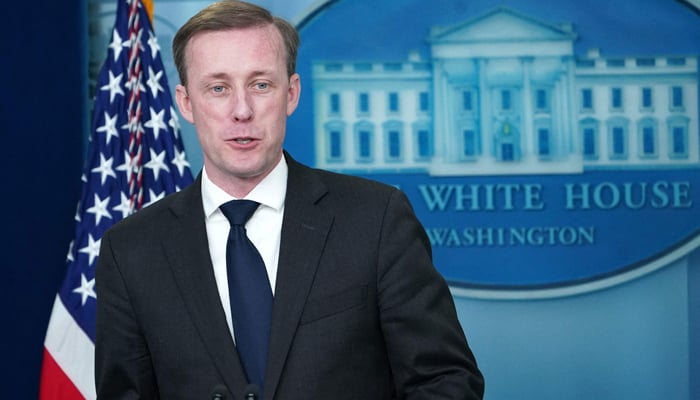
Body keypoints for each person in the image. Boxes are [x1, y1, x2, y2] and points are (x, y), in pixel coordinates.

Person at [94, 1, 485, 399]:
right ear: (186, 103)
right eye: (218, 88)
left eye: (260, 85)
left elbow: (444, 382)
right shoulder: (131, 251)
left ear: (292, 94)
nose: (241, 111)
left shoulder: (376, 220)